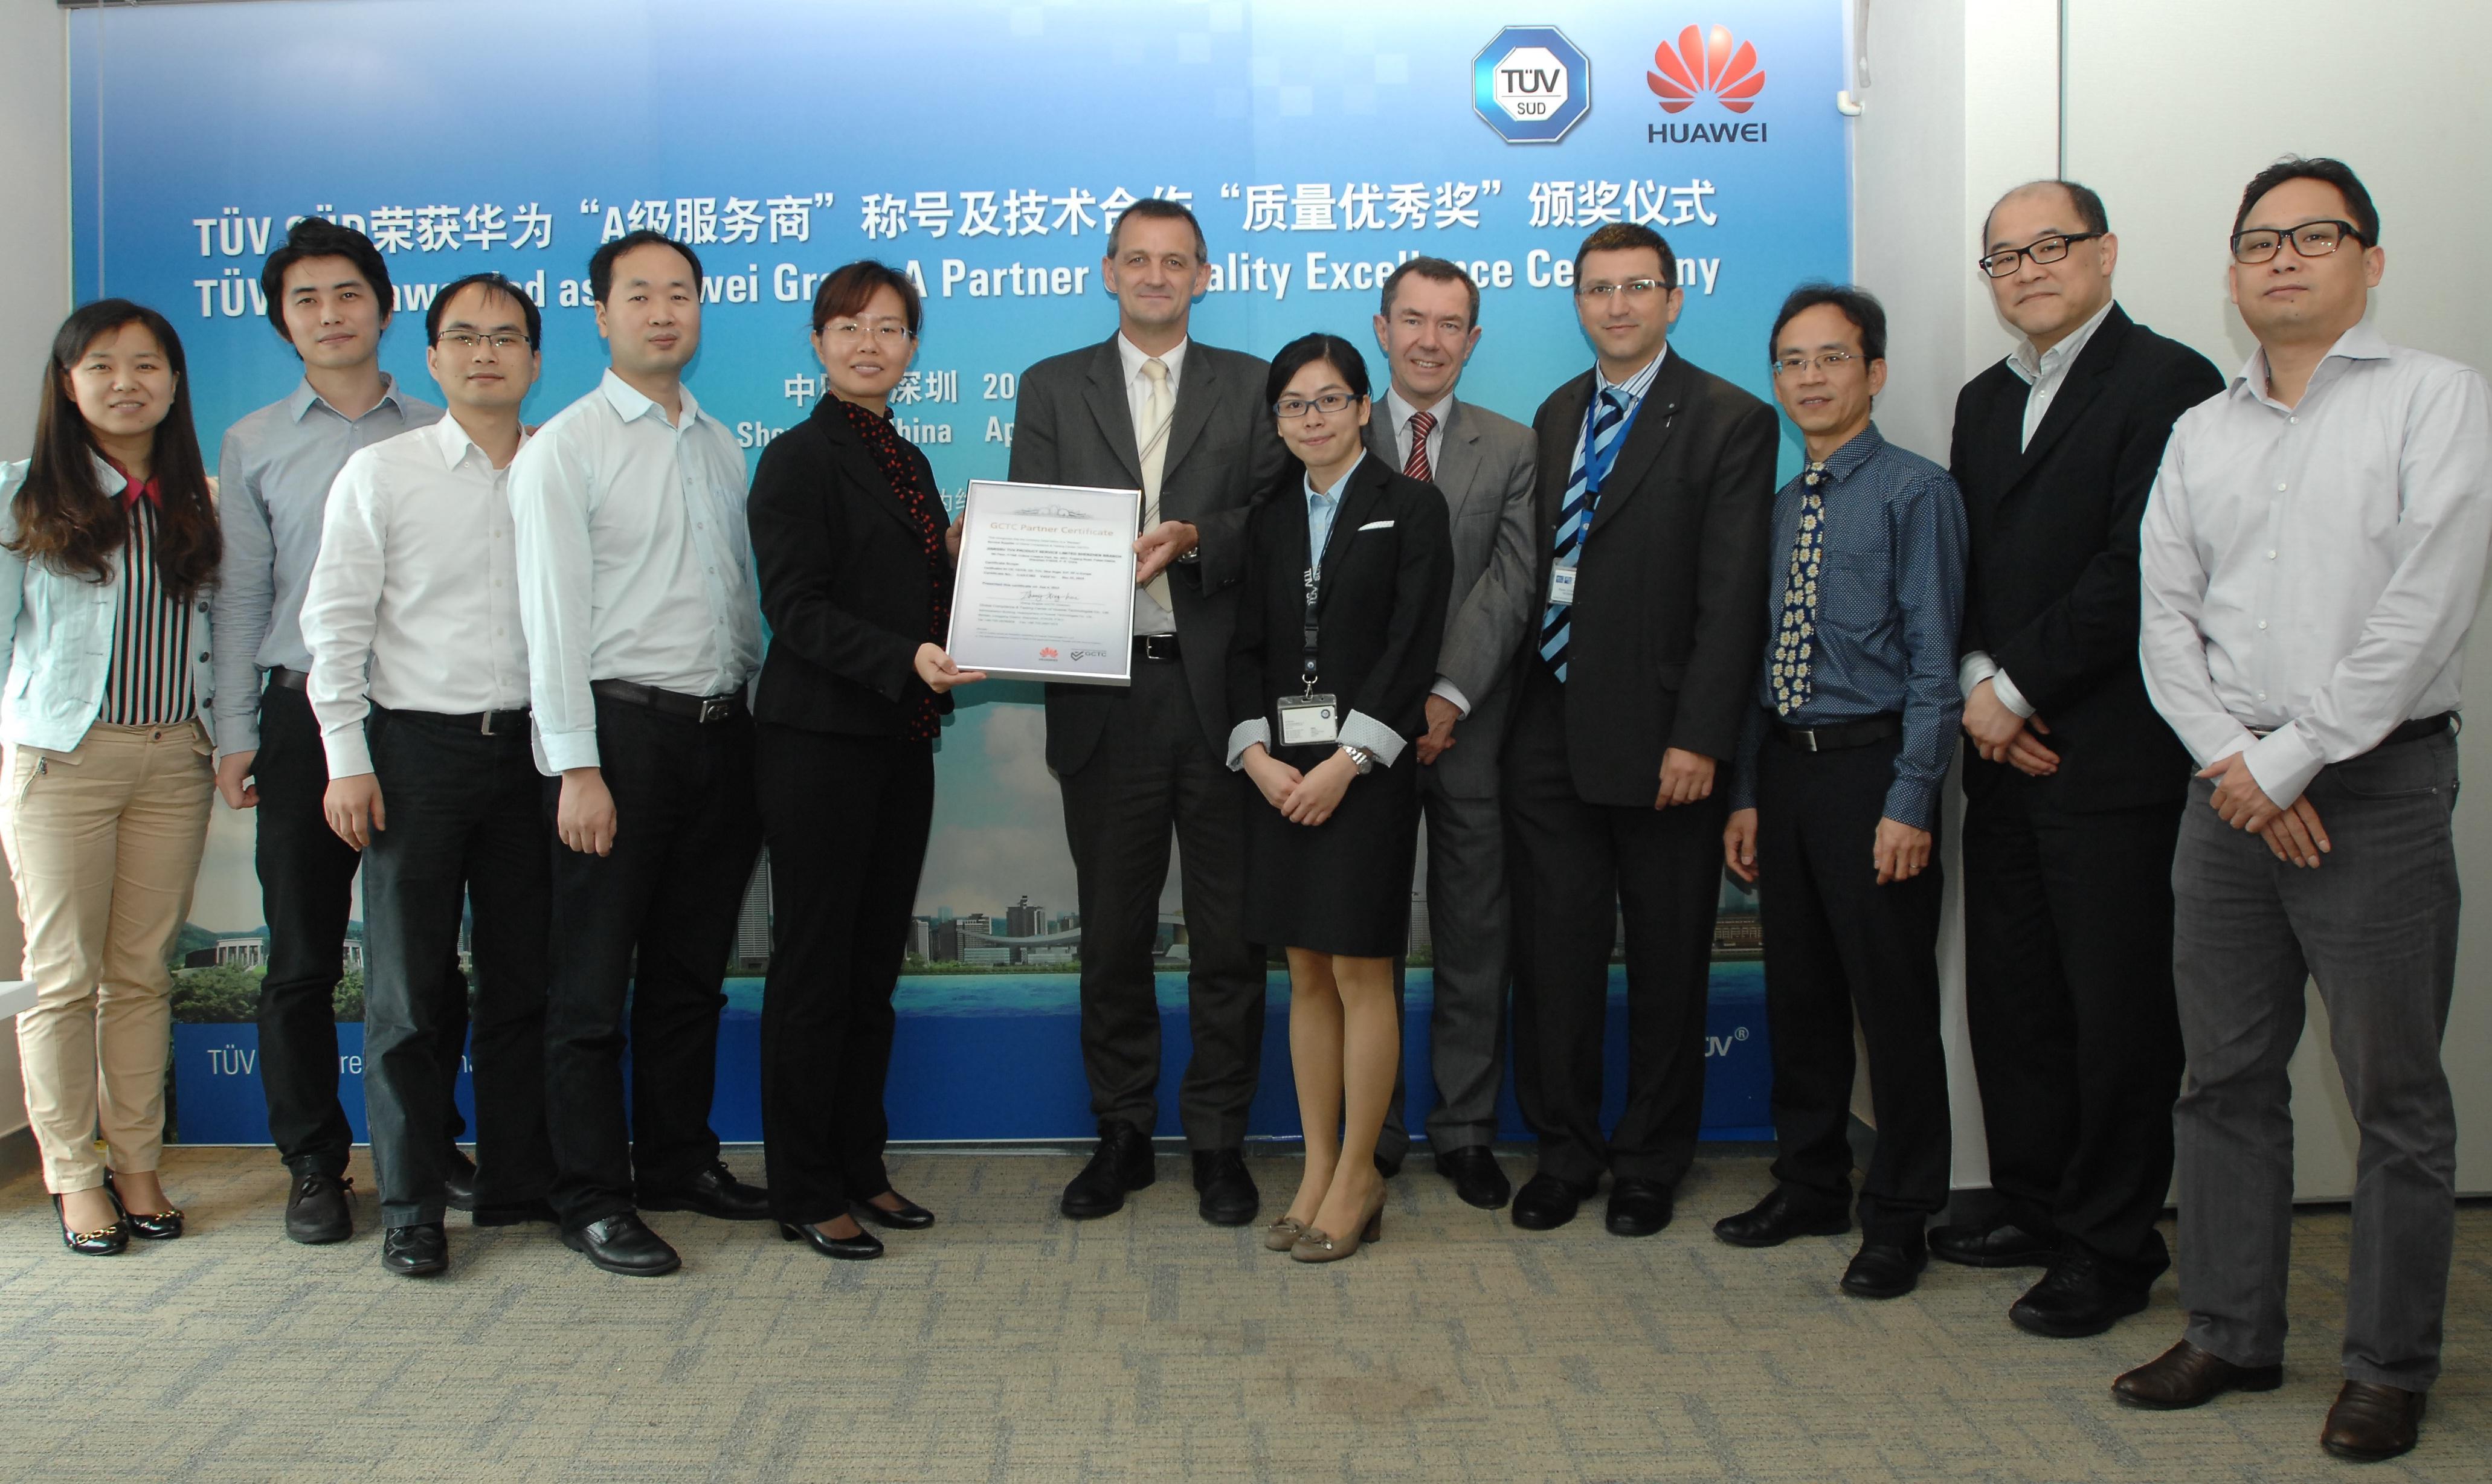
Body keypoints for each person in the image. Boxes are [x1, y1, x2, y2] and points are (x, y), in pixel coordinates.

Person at [2122, 157, 2492, 1465]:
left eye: (2313, 236)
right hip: (2221, 790)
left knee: (2392, 1092)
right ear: (2229, 275)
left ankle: (2388, 1365)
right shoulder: (2200, 432)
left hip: (2375, 787)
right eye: (2257, 241)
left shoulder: (2436, 400)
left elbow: (2425, 605)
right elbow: (2163, 617)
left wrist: (2293, 759)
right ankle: (2229, 1328)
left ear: (2368, 261)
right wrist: (2240, 761)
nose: (2281, 258)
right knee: (2222, 1076)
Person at [1938, 181, 2224, 1336]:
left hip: (2109, 761)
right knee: (2015, 998)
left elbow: (2138, 568)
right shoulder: (1982, 399)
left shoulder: (2168, 383)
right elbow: (1962, 562)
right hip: (1999, 753)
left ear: (2104, 253)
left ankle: (2111, 1245)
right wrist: (1976, 683)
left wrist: (2014, 690)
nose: (2026, 271)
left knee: (2117, 1016)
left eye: (2049, 247)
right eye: (2003, 257)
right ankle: (2035, 1204)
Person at [1008, 198, 1290, 1227]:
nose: (1156, 276)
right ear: (1108, 271)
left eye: (1176, 261)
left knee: (1228, 940)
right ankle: (1121, 1131)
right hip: (1105, 696)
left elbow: (1275, 522)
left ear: (1204, 276)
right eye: (1138, 259)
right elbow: (1033, 523)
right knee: (1113, 936)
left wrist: (1197, 536)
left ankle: (1217, 1140)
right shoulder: (1052, 386)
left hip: (1221, 699)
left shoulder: (1252, 385)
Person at [1502, 222, 1777, 1238]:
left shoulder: (1729, 419)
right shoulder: (1555, 412)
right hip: (1548, 725)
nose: (1615, 305)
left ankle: (1651, 1161)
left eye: (1636, 286)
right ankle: (1564, 1150)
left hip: (1666, 743)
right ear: (1576, 302)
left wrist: (1700, 737)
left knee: (1666, 961)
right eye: (1597, 288)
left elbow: (1731, 598)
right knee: (1554, 959)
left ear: (1673, 297)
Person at [508, 230, 770, 1277]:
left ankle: (675, 1161)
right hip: (618, 739)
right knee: (588, 987)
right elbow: (551, 621)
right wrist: (576, 767)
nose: (663, 312)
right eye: (640, 295)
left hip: (720, 732)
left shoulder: (718, 445)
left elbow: (734, 603)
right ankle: (588, 1194)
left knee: (688, 974)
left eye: (680, 294)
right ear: (601, 315)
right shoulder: (565, 447)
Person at [215, 217, 474, 1243]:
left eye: (348, 294)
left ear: (385, 307)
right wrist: (236, 728)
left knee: (426, 956)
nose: (329, 314)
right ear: (283, 321)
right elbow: (242, 597)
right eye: (306, 300)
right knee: (301, 954)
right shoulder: (253, 442)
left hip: (415, 715)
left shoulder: (442, 427)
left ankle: (431, 1142)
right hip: (298, 713)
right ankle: (315, 1163)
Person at [298, 273, 559, 1277]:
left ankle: (517, 1183)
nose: (486, 353)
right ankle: (410, 1206)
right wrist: (346, 758)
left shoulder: (562, 469)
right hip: (414, 753)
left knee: (523, 981)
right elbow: (335, 626)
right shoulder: (383, 472)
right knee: (408, 993)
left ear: (536, 359)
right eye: (464, 337)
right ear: (435, 357)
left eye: (506, 337)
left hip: (536, 753)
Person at [1717, 285, 1967, 1299]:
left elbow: (1936, 663)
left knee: (1891, 1002)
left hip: (1873, 769)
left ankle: (1900, 1215)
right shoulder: (1782, 507)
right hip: (1785, 770)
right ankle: (1810, 1180)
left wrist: (1912, 798)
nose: (1809, 377)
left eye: (1831, 358)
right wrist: (1745, 790)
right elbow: (1755, 660)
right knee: (1801, 994)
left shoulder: (1916, 493)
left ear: (1874, 372)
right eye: (1791, 361)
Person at [748, 262, 980, 1262]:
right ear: (817, 342)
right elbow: (794, 610)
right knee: (814, 971)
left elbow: (907, 589)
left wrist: (966, 564)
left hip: (897, 741)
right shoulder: (796, 459)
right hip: (817, 745)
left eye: (889, 328)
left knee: (871, 969)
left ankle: (858, 1163)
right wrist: (904, 658)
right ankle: (803, 1186)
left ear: (913, 349)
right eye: (848, 326)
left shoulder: (908, 462)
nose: (869, 344)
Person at [1, 301, 219, 1254]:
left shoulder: (196, 500)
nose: (126, 382)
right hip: (63, 762)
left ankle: (136, 1164)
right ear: (67, 383)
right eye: (101, 365)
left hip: (175, 761)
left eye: (147, 364)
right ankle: (72, 1174)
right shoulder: (22, 496)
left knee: (140, 975)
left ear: (173, 382)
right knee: (61, 976)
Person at [1228, 333, 1452, 1262]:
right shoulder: (1268, 514)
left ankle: (1359, 1174)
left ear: (1364, 407)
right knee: (1306, 971)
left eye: (1328, 400)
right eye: (1293, 404)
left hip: (1364, 776)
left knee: (1361, 972)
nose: (1311, 418)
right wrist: (1254, 755)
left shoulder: (1412, 506)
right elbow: (1244, 646)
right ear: (1276, 421)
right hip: (1282, 777)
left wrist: (1348, 760)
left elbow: (1411, 647)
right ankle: (1317, 1167)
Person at [1360, 259, 1537, 1209]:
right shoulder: (1333, 430)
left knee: (1474, 932)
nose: (1428, 340)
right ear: (1381, 328)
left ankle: (1466, 1129)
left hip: (1470, 725)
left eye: (1449, 324)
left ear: (1472, 340)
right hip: (1355, 737)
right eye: (1412, 319)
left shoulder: (1511, 446)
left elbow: (1510, 583)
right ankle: (1374, 1128)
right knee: (1366, 935)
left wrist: (1446, 693)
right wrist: (1385, 704)